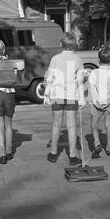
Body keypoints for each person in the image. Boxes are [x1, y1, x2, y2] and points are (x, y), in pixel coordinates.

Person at [43, 32, 85, 166]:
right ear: (75, 45)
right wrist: (82, 98)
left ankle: (53, 153)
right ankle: (72, 155)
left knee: (56, 124)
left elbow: (49, 78)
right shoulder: (78, 60)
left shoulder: (55, 58)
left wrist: (46, 95)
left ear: (61, 44)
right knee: (71, 125)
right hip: (71, 95)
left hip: (56, 94)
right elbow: (80, 81)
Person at [88, 48, 110, 159]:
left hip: (96, 102)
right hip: (109, 103)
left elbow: (92, 89)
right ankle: (109, 148)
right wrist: (109, 101)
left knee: (94, 125)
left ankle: (97, 143)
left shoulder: (94, 73)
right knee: (108, 125)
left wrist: (96, 102)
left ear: (98, 60)